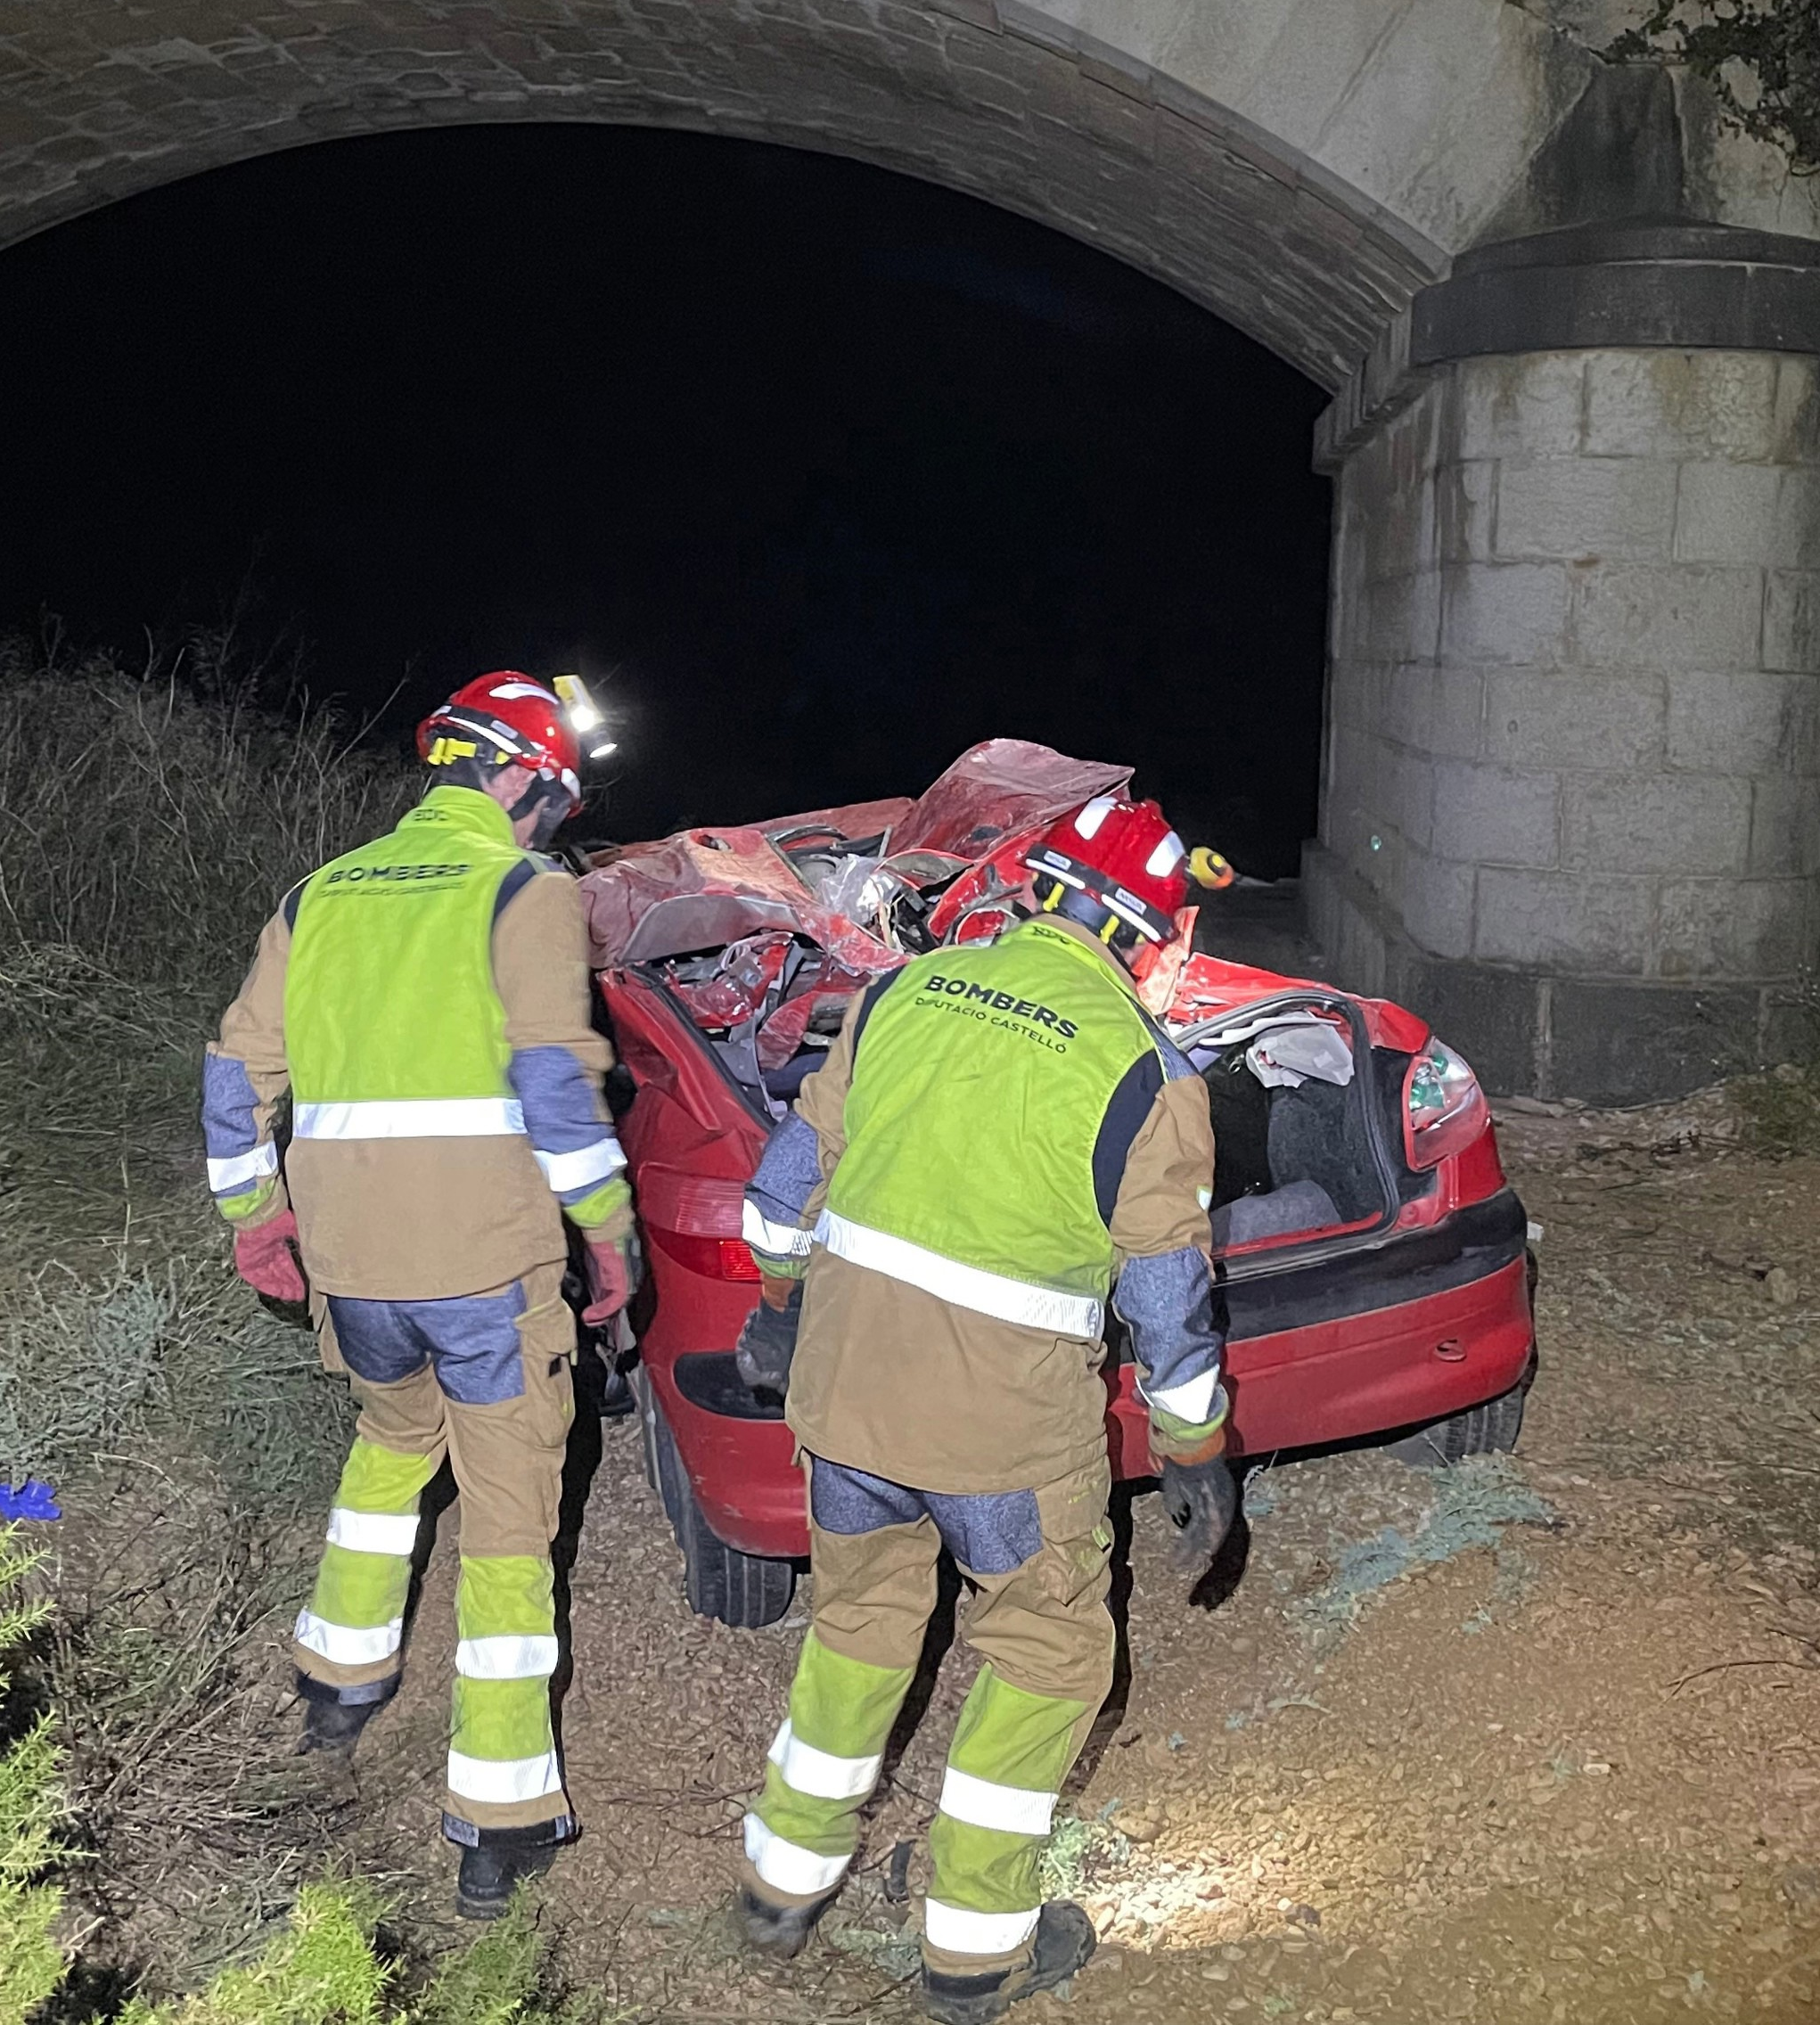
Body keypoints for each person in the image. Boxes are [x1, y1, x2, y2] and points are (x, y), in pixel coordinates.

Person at [726, 793, 1236, 2024]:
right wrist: (1198, 1451)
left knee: (857, 1624)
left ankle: (780, 1889)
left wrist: (785, 1302)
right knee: (1052, 1655)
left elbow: (776, 1196)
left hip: (845, 1405)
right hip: (1001, 1440)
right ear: (1148, 939)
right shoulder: (1148, 1074)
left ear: (1039, 897)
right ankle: (972, 1948)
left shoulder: (903, 995)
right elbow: (1168, 1314)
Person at [201, 670, 639, 1916]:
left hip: (354, 1272)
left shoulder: (319, 892)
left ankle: (336, 1686)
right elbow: (558, 1090)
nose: (552, 821)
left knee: (391, 1447)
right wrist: (611, 1235)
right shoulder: (524, 890)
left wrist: (256, 1222)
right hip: (486, 1271)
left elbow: (235, 1077)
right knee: (508, 1519)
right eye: (553, 798)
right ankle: (499, 1818)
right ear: (518, 779)